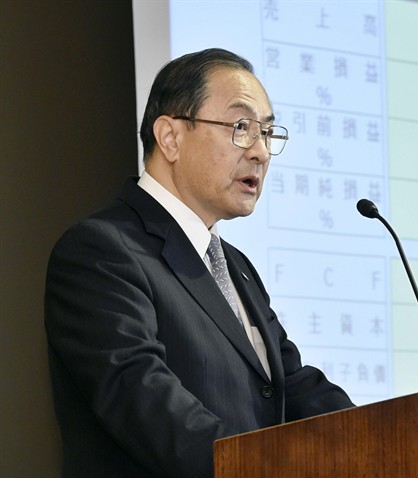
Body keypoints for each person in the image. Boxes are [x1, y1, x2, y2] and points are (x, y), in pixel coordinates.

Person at [44, 48, 354, 478]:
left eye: (267, 132)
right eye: (241, 127)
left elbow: (292, 384)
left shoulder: (236, 265)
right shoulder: (101, 251)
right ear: (170, 137)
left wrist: (389, 437)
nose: (261, 152)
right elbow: (145, 401)